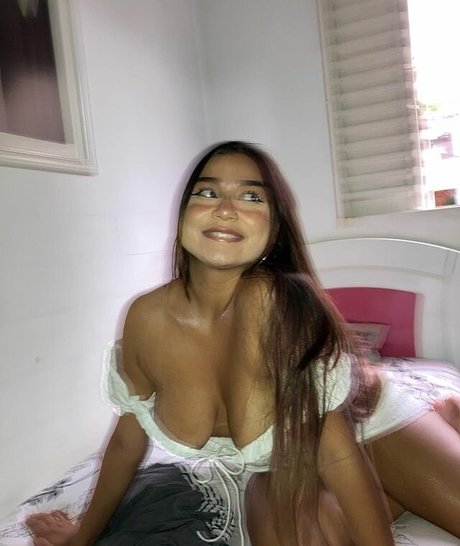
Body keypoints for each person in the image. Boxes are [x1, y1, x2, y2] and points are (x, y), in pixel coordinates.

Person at [26, 141, 460, 546]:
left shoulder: (279, 304)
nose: (226, 209)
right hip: (285, 466)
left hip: (371, 424)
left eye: (252, 197)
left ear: (274, 229)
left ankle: (433, 418)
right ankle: (415, 462)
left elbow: (336, 452)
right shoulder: (146, 317)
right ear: (183, 214)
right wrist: (82, 537)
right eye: (207, 192)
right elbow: (127, 438)